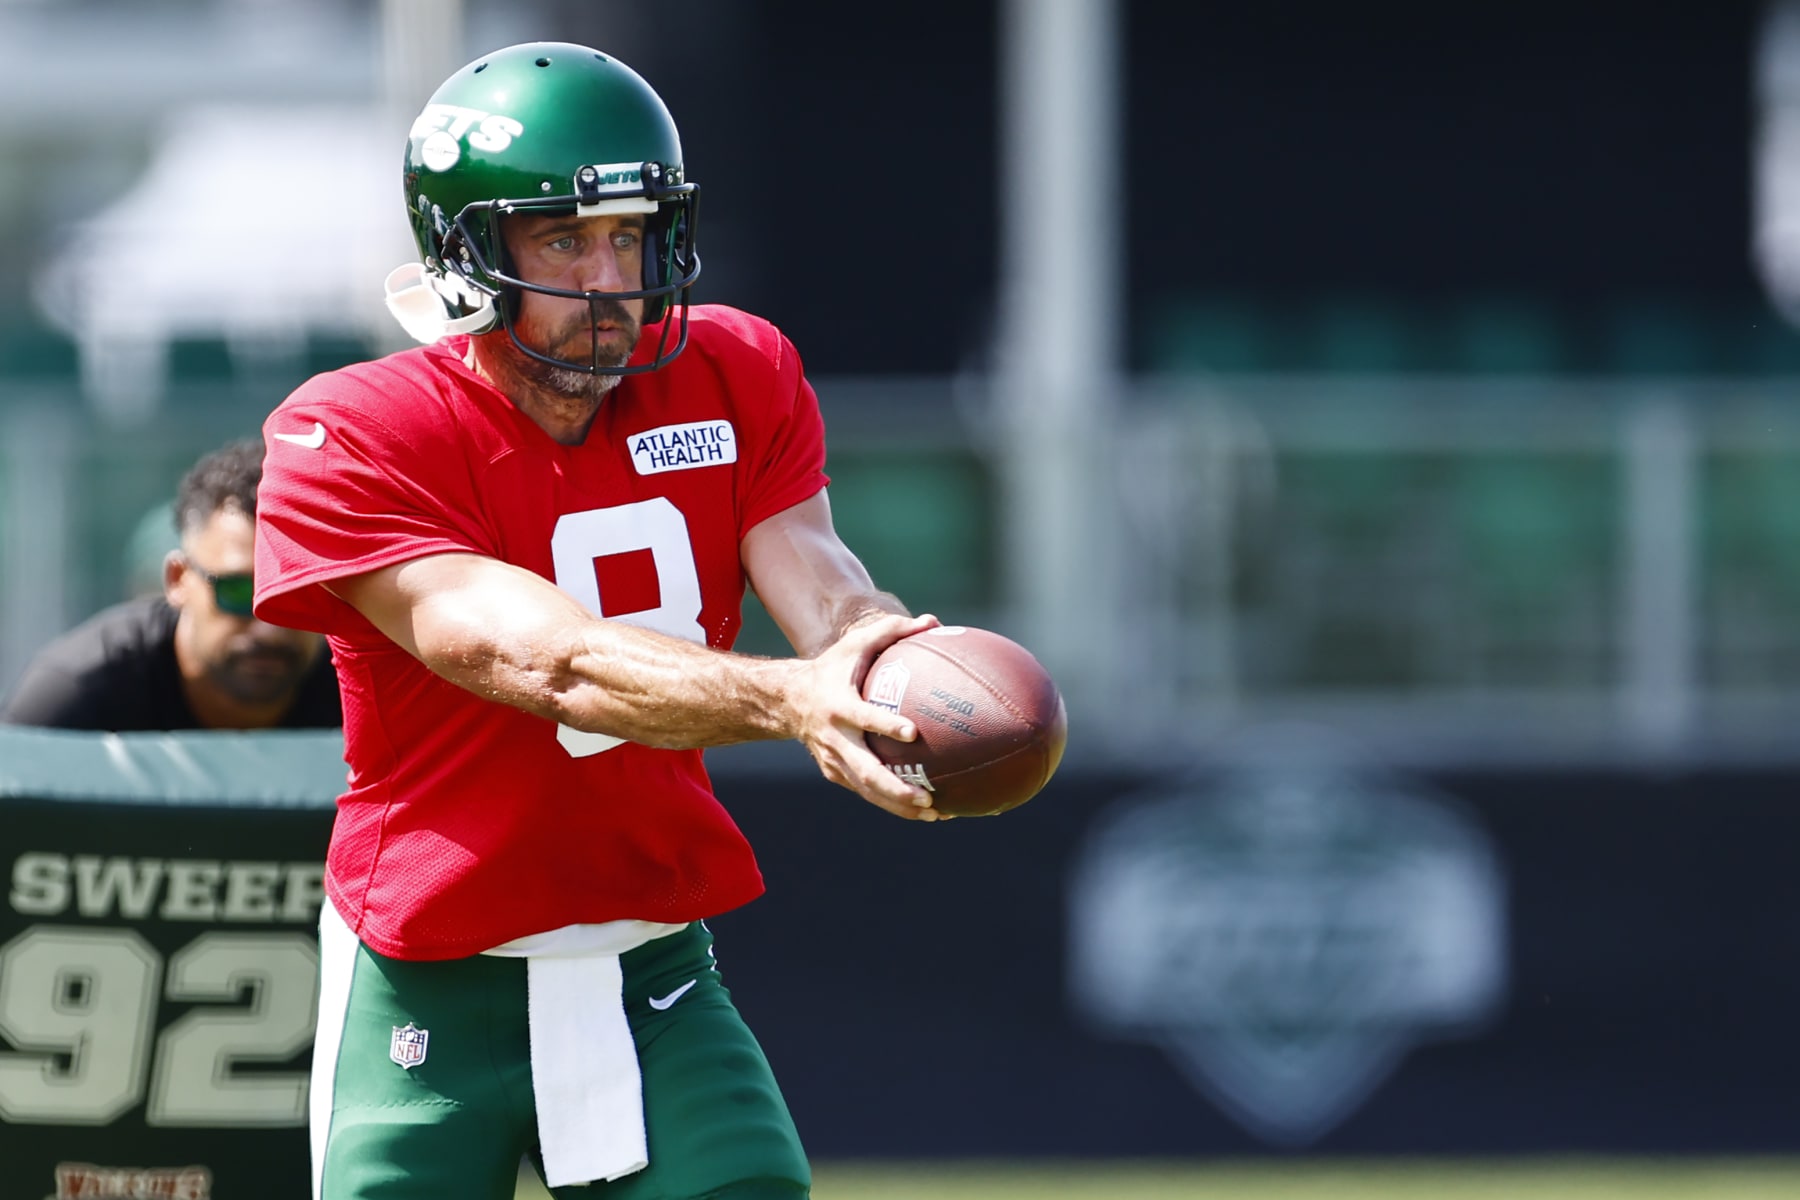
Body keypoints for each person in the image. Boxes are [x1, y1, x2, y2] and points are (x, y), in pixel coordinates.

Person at [252, 42, 943, 1200]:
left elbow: (819, 574)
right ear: (469, 250)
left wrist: (882, 660)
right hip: (428, 978)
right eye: (564, 239)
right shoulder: (356, 431)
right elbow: (542, 659)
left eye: (629, 234)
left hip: (651, 973)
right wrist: (791, 699)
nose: (609, 276)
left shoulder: (735, 369)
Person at [1, 437, 341, 731]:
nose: (270, 628)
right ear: (178, 580)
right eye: (239, 591)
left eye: (301, 594)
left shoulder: (364, 690)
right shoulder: (79, 692)